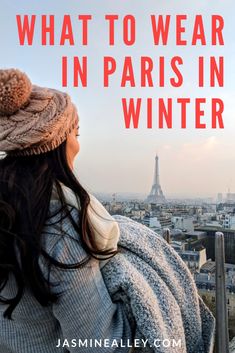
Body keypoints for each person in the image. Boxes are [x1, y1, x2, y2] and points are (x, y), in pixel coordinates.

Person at [0, 69, 134, 353]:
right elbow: (99, 345)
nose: (78, 145)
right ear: (56, 143)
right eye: (76, 133)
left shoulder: (9, 213)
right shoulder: (59, 230)